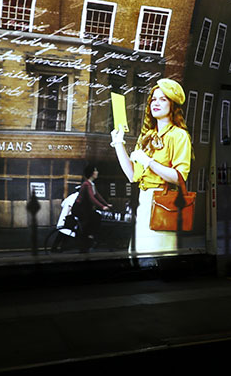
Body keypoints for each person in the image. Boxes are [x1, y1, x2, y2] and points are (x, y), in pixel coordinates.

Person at [110, 78, 193, 255]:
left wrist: (148, 161)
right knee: (139, 254)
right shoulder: (147, 136)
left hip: (162, 204)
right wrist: (118, 143)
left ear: (173, 105)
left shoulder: (179, 136)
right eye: (154, 99)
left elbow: (180, 177)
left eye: (163, 99)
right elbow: (132, 175)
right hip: (144, 202)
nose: (156, 103)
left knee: (156, 256)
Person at [73, 163, 112, 251]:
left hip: (85, 209)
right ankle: (85, 242)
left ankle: (90, 238)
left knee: (96, 217)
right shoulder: (87, 184)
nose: (97, 172)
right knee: (88, 223)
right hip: (79, 208)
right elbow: (92, 198)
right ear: (91, 173)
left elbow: (98, 196)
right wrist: (102, 207)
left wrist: (106, 204)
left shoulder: (91, 184)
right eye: (95, 170)